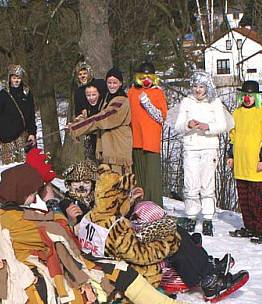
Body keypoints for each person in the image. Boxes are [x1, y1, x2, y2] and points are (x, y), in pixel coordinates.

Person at [0, 161, 225, 304]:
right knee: (122, 271)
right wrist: (53, 206)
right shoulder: (15, 219)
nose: (35, 198)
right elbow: (60, 233)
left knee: (116, 270)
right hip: (48, 281)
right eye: (33, 193)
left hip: (47, 268)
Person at [131, 200, 249, 302]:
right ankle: (208, 281)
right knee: (178, 244)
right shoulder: (138, 244)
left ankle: (207, 264)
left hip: (152, 253)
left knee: (180, 234)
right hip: (156, 273)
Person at [171, 70, 234, 237]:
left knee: (207, 184)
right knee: (191, 184)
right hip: (190, 147)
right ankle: (191, 216)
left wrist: (208, 127)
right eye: (195, 86)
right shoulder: (186, 102)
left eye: (201, 86)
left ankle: (207, 218)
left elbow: (223, 125)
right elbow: (177, 126)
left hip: (209, 147)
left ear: (207, 87)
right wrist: (188, 125)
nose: (198, 90)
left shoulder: (215, 103)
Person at [227, 80, 262, 244]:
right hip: (241, 166)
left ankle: (261, 231)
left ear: (257, 97)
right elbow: (232, 137)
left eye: (250, 95)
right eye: (245, 95)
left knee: (259, 202)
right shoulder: (237, 112)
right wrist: (230, 156)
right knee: (245, 200)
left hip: (257, 167)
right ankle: (249, 227)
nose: (247, 98)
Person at [67, 67, 132, 174]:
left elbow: (102, 119)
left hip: (118, 150)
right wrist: (77, 122)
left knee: (119, 186)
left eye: (114, 83)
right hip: (107, 150)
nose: (111, 85)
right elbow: (94, 115)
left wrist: (77, 128)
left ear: (120, 83)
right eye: (109, 82)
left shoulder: (121, 100)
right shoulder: (107, 99)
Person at [128, 61, 167, 205]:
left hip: (151, 142)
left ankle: (155, 208)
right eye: (143, 77)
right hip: (135, 140)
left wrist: (148, 104)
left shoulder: (157, 93)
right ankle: (140, 208)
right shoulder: (132, 92)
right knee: (139, 178)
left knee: (152, 179)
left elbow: (161, 116)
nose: (146, 80)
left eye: (149, 77)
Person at [0, 64, 37, 165]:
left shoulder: (27, 93)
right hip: (6, 136)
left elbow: (31, 115)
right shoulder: (4, 94)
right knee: (9, 167)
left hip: (23, 135)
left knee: (26, 165)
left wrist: (32, 133)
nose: (16, 80)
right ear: (10, 78)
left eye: (18, 78)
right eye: (14, 78)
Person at [74, 82, 104, 162]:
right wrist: (77, 122)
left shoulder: (103, 107)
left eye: (94, 95)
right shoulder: (86, 109)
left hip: (103, 144)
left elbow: (96, 122)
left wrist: (77, 128)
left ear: (99, 94)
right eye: (88, 95)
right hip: (91, 144)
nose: (91, 98)